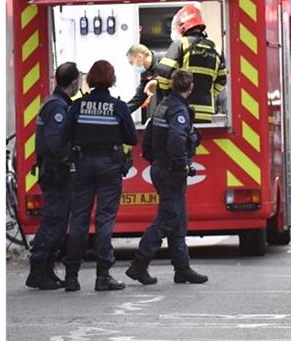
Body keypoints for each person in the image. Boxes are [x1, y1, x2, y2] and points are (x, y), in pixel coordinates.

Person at [62, 60, 138, 292]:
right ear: (112, 79)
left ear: (91, 78)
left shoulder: (77, 106)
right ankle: (103, 276)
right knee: (105, 219)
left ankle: (72, 277)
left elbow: (66, 134)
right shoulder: (118, 107)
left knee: (78, 221)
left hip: (83, 165)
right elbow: (132, 138)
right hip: (109, 166)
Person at [126, 70, 208, 286]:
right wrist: (182, 163)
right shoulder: (178, 110)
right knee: (166, 219)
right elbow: (176, 137)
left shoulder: (162, 105)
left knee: (178, 220)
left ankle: (182, 269)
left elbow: (149, 136)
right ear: (190, 87)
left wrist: (154, 160)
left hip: (161, 167)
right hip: (171, 171)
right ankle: (139, 265)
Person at [25, 63, 80, 290]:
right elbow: (56, 142)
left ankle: (45, 269)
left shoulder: (56, 103)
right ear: (74, 82)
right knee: (54, 221)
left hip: (55, 172)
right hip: (56, 173)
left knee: (56, 221)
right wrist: (72, 157)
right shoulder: (57, 106)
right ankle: (39, 270)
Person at [155, 5, 227, 122]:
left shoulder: (181, 44)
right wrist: (208, 93)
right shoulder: (216, 48)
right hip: (206, 112)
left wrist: (169, 94)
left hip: (182, 110)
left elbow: (163, 72)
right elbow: (222, 80)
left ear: (182, 27)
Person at [125, 43, 158, 118]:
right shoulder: (145, 71)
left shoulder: (163, 64)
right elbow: (139, 97)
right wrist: (122, 111)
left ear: (139, 57)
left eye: (131, 62)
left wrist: (156, 81)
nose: (132, 66)